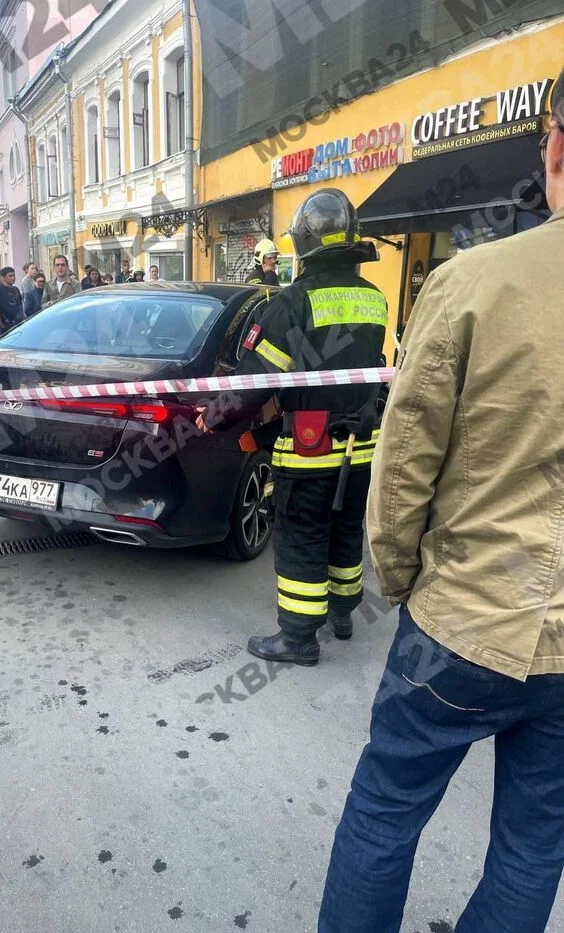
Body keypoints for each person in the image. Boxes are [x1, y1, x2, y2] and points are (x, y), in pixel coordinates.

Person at [317, 71, 564, 933]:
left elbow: (405, 460)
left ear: (557, 147)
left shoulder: (471, 282)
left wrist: (400, 579)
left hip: (462, 619)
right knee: (536, 847)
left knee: (386, 806)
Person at [197, 189, 387, 662]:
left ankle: (299, 638)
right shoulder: (376, 299)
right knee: (346, 528)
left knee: (302, 530)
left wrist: (212, 416)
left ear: (304, 242)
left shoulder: (292, 304)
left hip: (310, 445)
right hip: (362, 443)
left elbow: (255, 381)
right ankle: (343, 614)